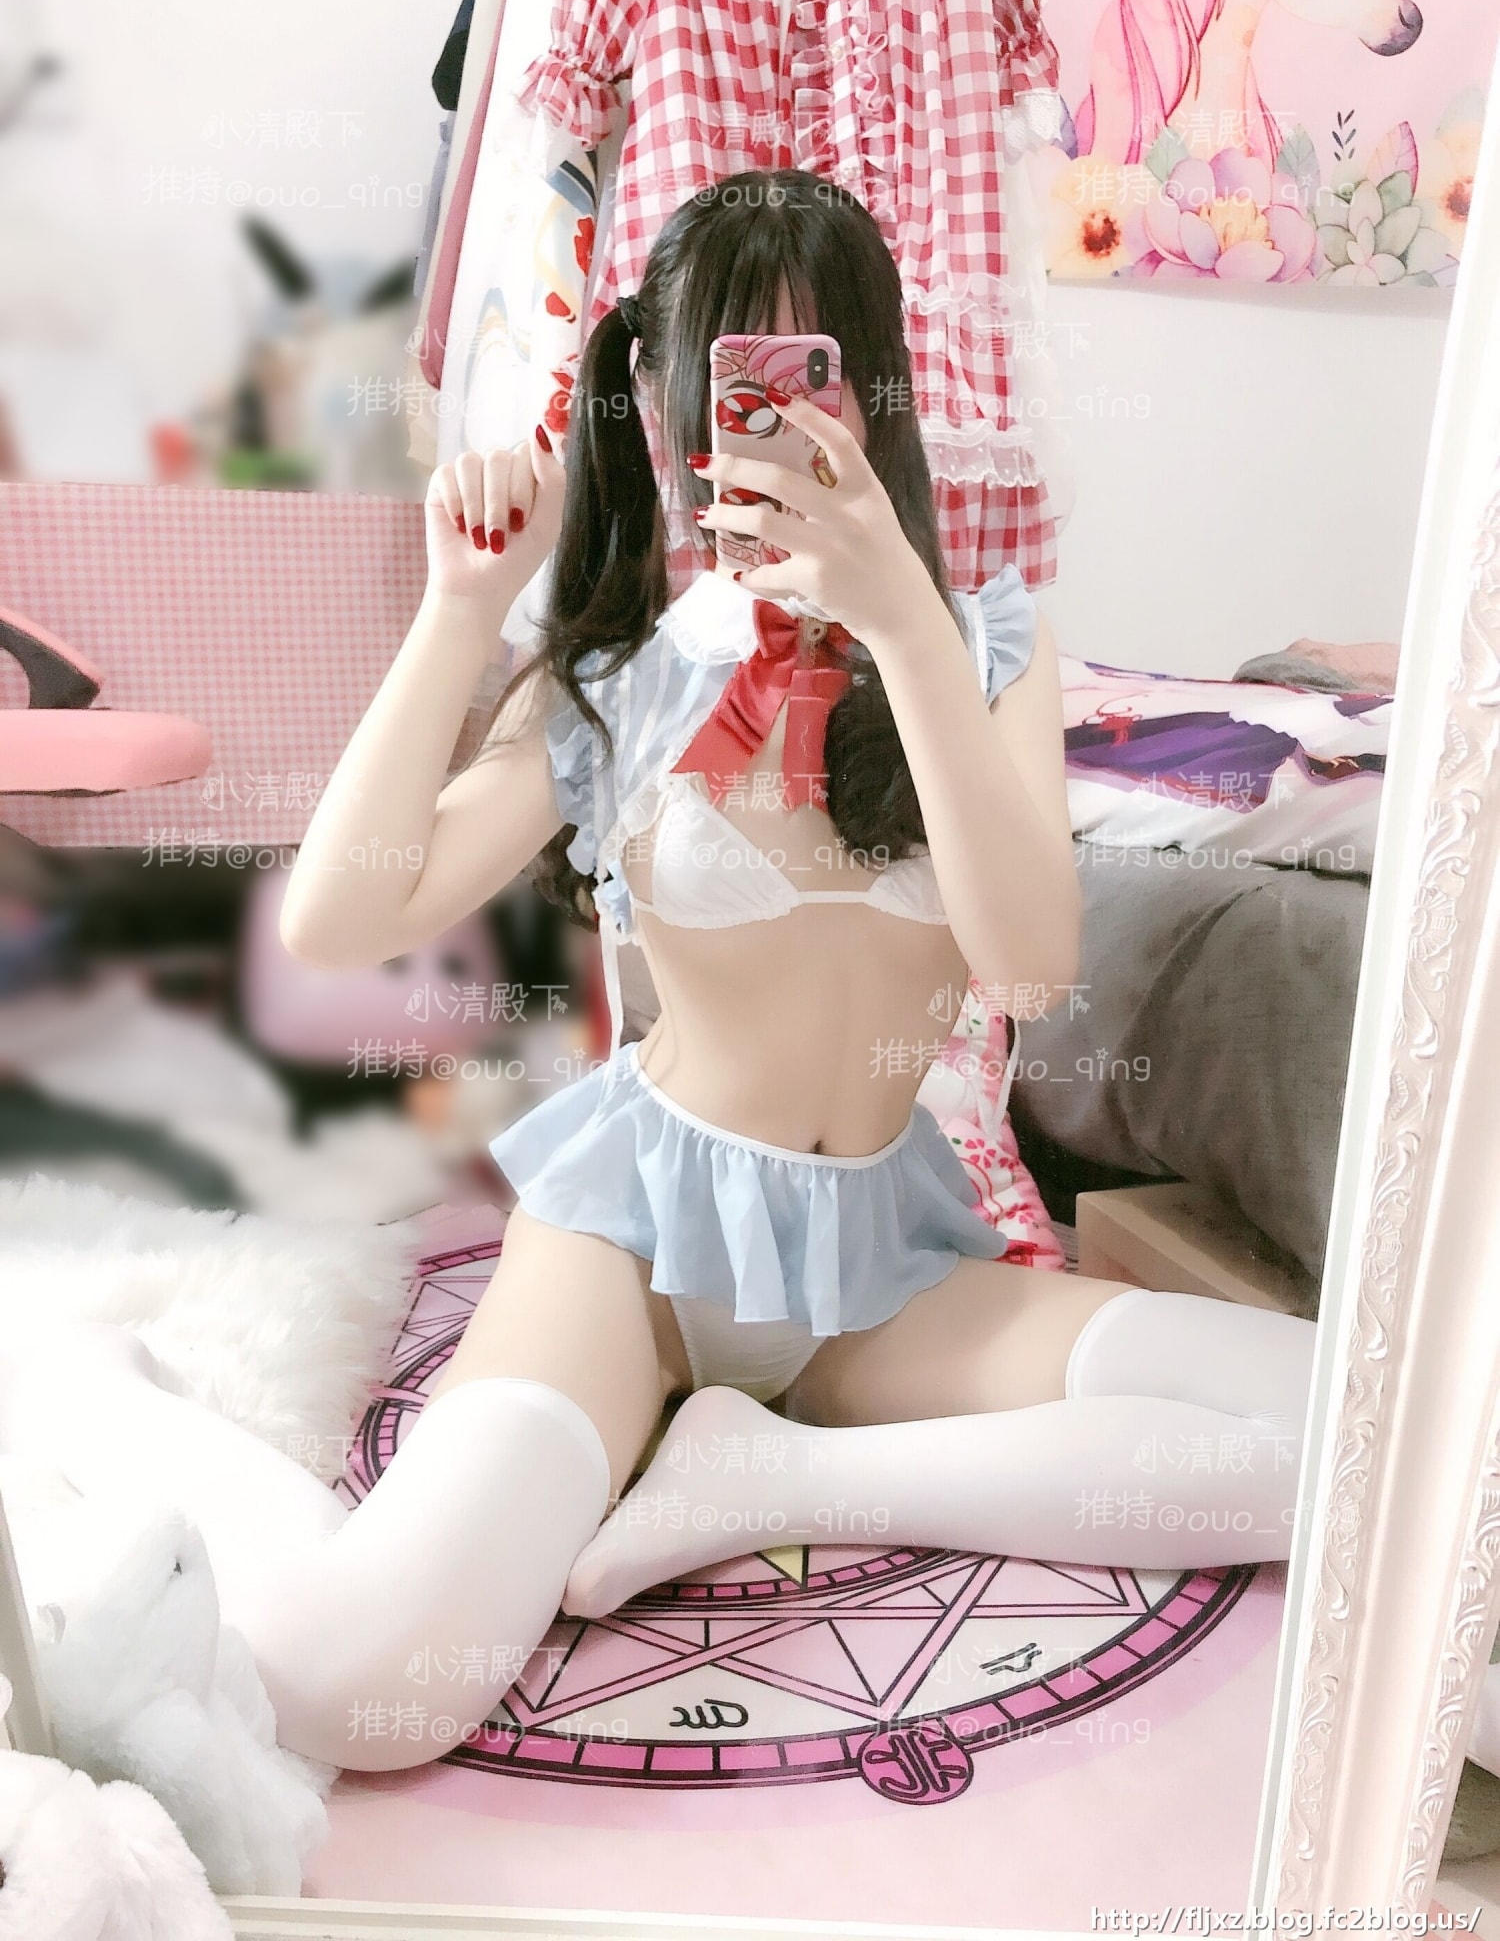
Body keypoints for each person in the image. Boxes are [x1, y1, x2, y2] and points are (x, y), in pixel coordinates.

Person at [0, 172, 1315, 1774]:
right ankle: (114, 1391)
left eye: (817, 371)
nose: (779, 418)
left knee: (1349, 1433)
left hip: (879, 1272)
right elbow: (335, 926)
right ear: (671, 401)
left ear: (877, 389)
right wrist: (460, 611)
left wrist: (902, 620)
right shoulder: (628, 670)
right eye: (735, 375)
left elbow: (1032, 970)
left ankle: (771, 1479)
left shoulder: (985, 642)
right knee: (356, 1686)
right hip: (637, 1254)